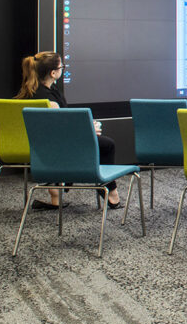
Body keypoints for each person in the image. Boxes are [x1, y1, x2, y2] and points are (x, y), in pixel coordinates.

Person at [16, 51, 122, 210]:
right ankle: (109, 190)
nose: (63, 69)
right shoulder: (50, 101)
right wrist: (89, 131)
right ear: (53, 73)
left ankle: (57, 186)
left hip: (34, 147)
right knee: (107, 144)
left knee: (93, 141)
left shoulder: (27, 93)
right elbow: (63, 131)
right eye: (61, 67)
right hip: (56, 147)